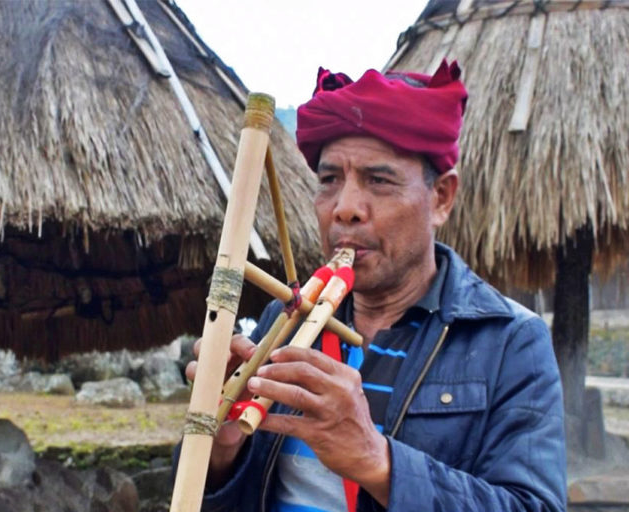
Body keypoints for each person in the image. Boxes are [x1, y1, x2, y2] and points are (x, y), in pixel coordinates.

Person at [180, 60, 566, 512]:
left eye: (378, 181)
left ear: (440, 198)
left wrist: (377, 461)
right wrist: (222, 449)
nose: (344, 209)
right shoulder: (283, 317)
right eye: (329, 181)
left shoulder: (509, 340)